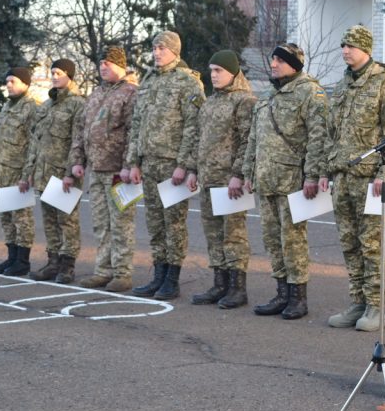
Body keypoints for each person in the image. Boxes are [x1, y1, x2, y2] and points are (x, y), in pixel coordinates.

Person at [321, 25, 385, 332]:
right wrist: (325, 169)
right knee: (349, 243)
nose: (345, 50)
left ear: (366, 49)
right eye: (343, 45)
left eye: (351, 46)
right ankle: (357, 301)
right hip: (342, 177)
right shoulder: (342, 86)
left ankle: (375, 307)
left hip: (370, 179)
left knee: (371, 244)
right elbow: (331, 133)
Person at [242, 43, 328, 320]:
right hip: (267, 178)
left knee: (292, 240)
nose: (274, 64)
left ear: (294, 63)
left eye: (280, 60)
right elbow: (254, 138)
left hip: (292, 179)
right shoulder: (268, 95)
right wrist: (248, 172)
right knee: (272, 239)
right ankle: (281, 293)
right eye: (273, 60)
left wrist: (312, 175)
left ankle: (298, 297)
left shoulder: (310, 93)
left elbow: (318, 138)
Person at [122, 31, 205, 300]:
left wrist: (184, 164)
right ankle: (158, 275)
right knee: (155, 223)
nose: (157, 53)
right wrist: (133, 161)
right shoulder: (148, 81)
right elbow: (137, 125)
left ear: (175, 51)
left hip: (173, 165)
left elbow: (194, 126)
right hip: (149, 162)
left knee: (174, 224)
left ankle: (172, 279)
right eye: (155, 48)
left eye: (162, 48)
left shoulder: (188, 82)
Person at [187, 51, 257, 309]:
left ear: (233, 73)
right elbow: (200, 139)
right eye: (211, 70)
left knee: (233, 235)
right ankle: (220, 283)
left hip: (230, 182)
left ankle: (238, 288)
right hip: (208, 178)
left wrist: (238, 174)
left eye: (219, 70)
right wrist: (193, 169)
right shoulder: (210, 102)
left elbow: (248, 140)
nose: (213, 75)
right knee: (213, 234)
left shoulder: (244, 101)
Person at [67, 47, 139, 293]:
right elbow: (81, 130)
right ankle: (103, 270)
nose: (103, 67)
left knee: (121, 223)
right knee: (100, 223)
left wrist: (131, 165)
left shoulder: (131, 93)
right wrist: (77, 161)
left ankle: (122, 273)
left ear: (121, 65)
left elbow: (134, 132)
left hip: (120, 172)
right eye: (101, 64)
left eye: (108, 63)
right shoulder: (96, 94)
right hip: (96, 170)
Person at [22, 59, 85, 284]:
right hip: (43, 173)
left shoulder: (77, 104)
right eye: (53, 72)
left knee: (66, 221)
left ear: (70, 75)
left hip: (62, 173)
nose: (54, 76)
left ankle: (67, 266)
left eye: (59, 72)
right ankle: (53, 262)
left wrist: (70, 172)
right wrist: (29, 170)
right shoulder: (47, 105)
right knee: (49, 221)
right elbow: (36, 141)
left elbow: (78, 140)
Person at [0, 67, 40, 276]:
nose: (8, 85)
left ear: (26, 84)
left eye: (13, 81)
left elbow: (34, 143)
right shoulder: (8, 106)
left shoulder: (31, 108)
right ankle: (11, 257)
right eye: (7, 81)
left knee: (22, 218)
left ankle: (22, 261)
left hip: (18, 171)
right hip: (2, 171)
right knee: (6, 218)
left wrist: (27, 173)